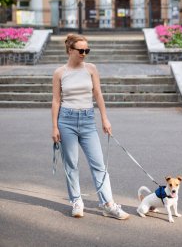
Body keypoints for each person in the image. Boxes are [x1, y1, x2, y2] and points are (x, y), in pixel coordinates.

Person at [51, 33, 129, 220]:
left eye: (87, 50)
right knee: (71, 164)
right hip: (66, 120)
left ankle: (108, 204)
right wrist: (54, 127)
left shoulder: (91, 69)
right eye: (81, 50)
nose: (84, 53)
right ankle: (77, 202)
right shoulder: (60, 73)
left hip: (87, 120)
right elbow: (55, 100)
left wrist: (105, 119)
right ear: (70, 50)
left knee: (99, 164)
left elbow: (98, 94)